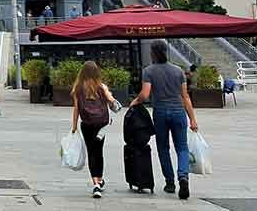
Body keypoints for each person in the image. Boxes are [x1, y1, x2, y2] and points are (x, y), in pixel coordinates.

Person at [130, 40, 199, 200]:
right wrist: (193, 119)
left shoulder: (149, 71)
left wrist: (136, 100)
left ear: (152, 53)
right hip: (178, 112)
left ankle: (170, 182)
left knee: (163, 148)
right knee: (182, 148)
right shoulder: (178, 71)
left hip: (160, 112)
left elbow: (145, 94)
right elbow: (185, 96)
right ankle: (183, 177)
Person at [70, 61, 119, 199]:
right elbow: (112, 102)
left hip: (87, 124)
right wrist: (111, 98)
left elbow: (76, 109)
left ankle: (95, 184)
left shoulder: (78, 88)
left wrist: (74, 126)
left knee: (91, 152)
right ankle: (100, 179)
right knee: (99, 152)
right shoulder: (101, 87)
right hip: (101, 125)